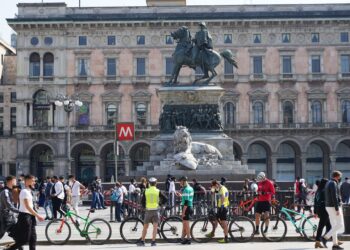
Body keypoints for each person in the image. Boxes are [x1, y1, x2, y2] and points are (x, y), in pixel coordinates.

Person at [5, 175, 45, 250]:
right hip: (25, 217)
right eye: (32, 181)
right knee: (24, 239)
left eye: (34, 181)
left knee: (33, 238)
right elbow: (27, 206)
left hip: (30, 217)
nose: (34, 182)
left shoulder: (29, 191)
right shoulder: (24, 191)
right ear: (27, 181)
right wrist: (38, 215)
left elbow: (30, 205)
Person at [137, 177, 167, 247]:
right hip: (156, 210)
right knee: (155, 227)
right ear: (156, 183)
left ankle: (142, 241)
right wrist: (160, 204)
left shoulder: (146, 191)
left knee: (145, 227)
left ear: (149, 183)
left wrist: (144, 207)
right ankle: (153, 242)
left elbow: (142, 201)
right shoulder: (158, 191)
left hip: (148, 211)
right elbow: (165, 198)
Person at [321, 171, 344, 249]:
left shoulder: (328, 183)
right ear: (337, 176)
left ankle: (335, 245)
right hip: (333, 206)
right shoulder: (333, 183)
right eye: (340, 177)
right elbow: (334, 196)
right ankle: (325, 237)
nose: (340, 178)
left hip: (328, 206)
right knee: (340, 224)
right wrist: (337, 208)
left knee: (334, 225)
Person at [0, 176, 20, 244]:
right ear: (10, 182)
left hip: (11, 217)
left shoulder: (12, 190)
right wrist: (19, 211)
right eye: (14, 181)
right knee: (1, 233)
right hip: (5, 218)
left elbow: (15, 203)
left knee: (17, 236)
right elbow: (8, 205)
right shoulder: (5, 192)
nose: (16, 182)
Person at [314, 178, 331, 249]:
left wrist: (315, 212)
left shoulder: (318, 190)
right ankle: (320, 240)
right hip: (324, 210)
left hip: (320, 210)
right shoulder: (324, 191)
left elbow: (315, 201)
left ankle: (321, 240)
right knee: (321, 226)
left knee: (329, 226)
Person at [177, 176, 194, 245]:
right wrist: (181, 196)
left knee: (186, 225)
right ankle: (183, 238)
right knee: (185, 225)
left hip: (186, 208)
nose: (179, 183)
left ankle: (188, 239)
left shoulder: (186, 189)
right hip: (189, 207)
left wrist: (183, 212)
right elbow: (187, 198)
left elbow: (186, 202)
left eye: (180, 181)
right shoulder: (190, 188)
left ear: (183, 181)